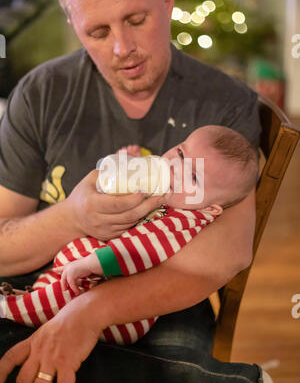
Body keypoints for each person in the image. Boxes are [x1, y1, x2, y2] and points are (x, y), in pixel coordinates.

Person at [0, 0, 272, 383]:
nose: (122, 48)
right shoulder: (42, 94)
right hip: (50, 280)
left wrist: (87, 315)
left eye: (136, 19)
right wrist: (76, 217)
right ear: (73, 23)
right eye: (98, 32)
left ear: (167, 3)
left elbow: (223, 256)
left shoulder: (223, 110)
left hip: (160, 300)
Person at [0, 125, 258, 344]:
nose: (174, 168)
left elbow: (137, 250)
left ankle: (11, 310)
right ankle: (34, 298)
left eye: (193, 176)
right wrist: (131, 167)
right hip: (95, 278)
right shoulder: (173, 196)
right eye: (180, 153)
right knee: (58, 280)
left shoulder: (182, 222)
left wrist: (90, 264)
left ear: (211, 208)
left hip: (121, 311)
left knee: (65, 289)